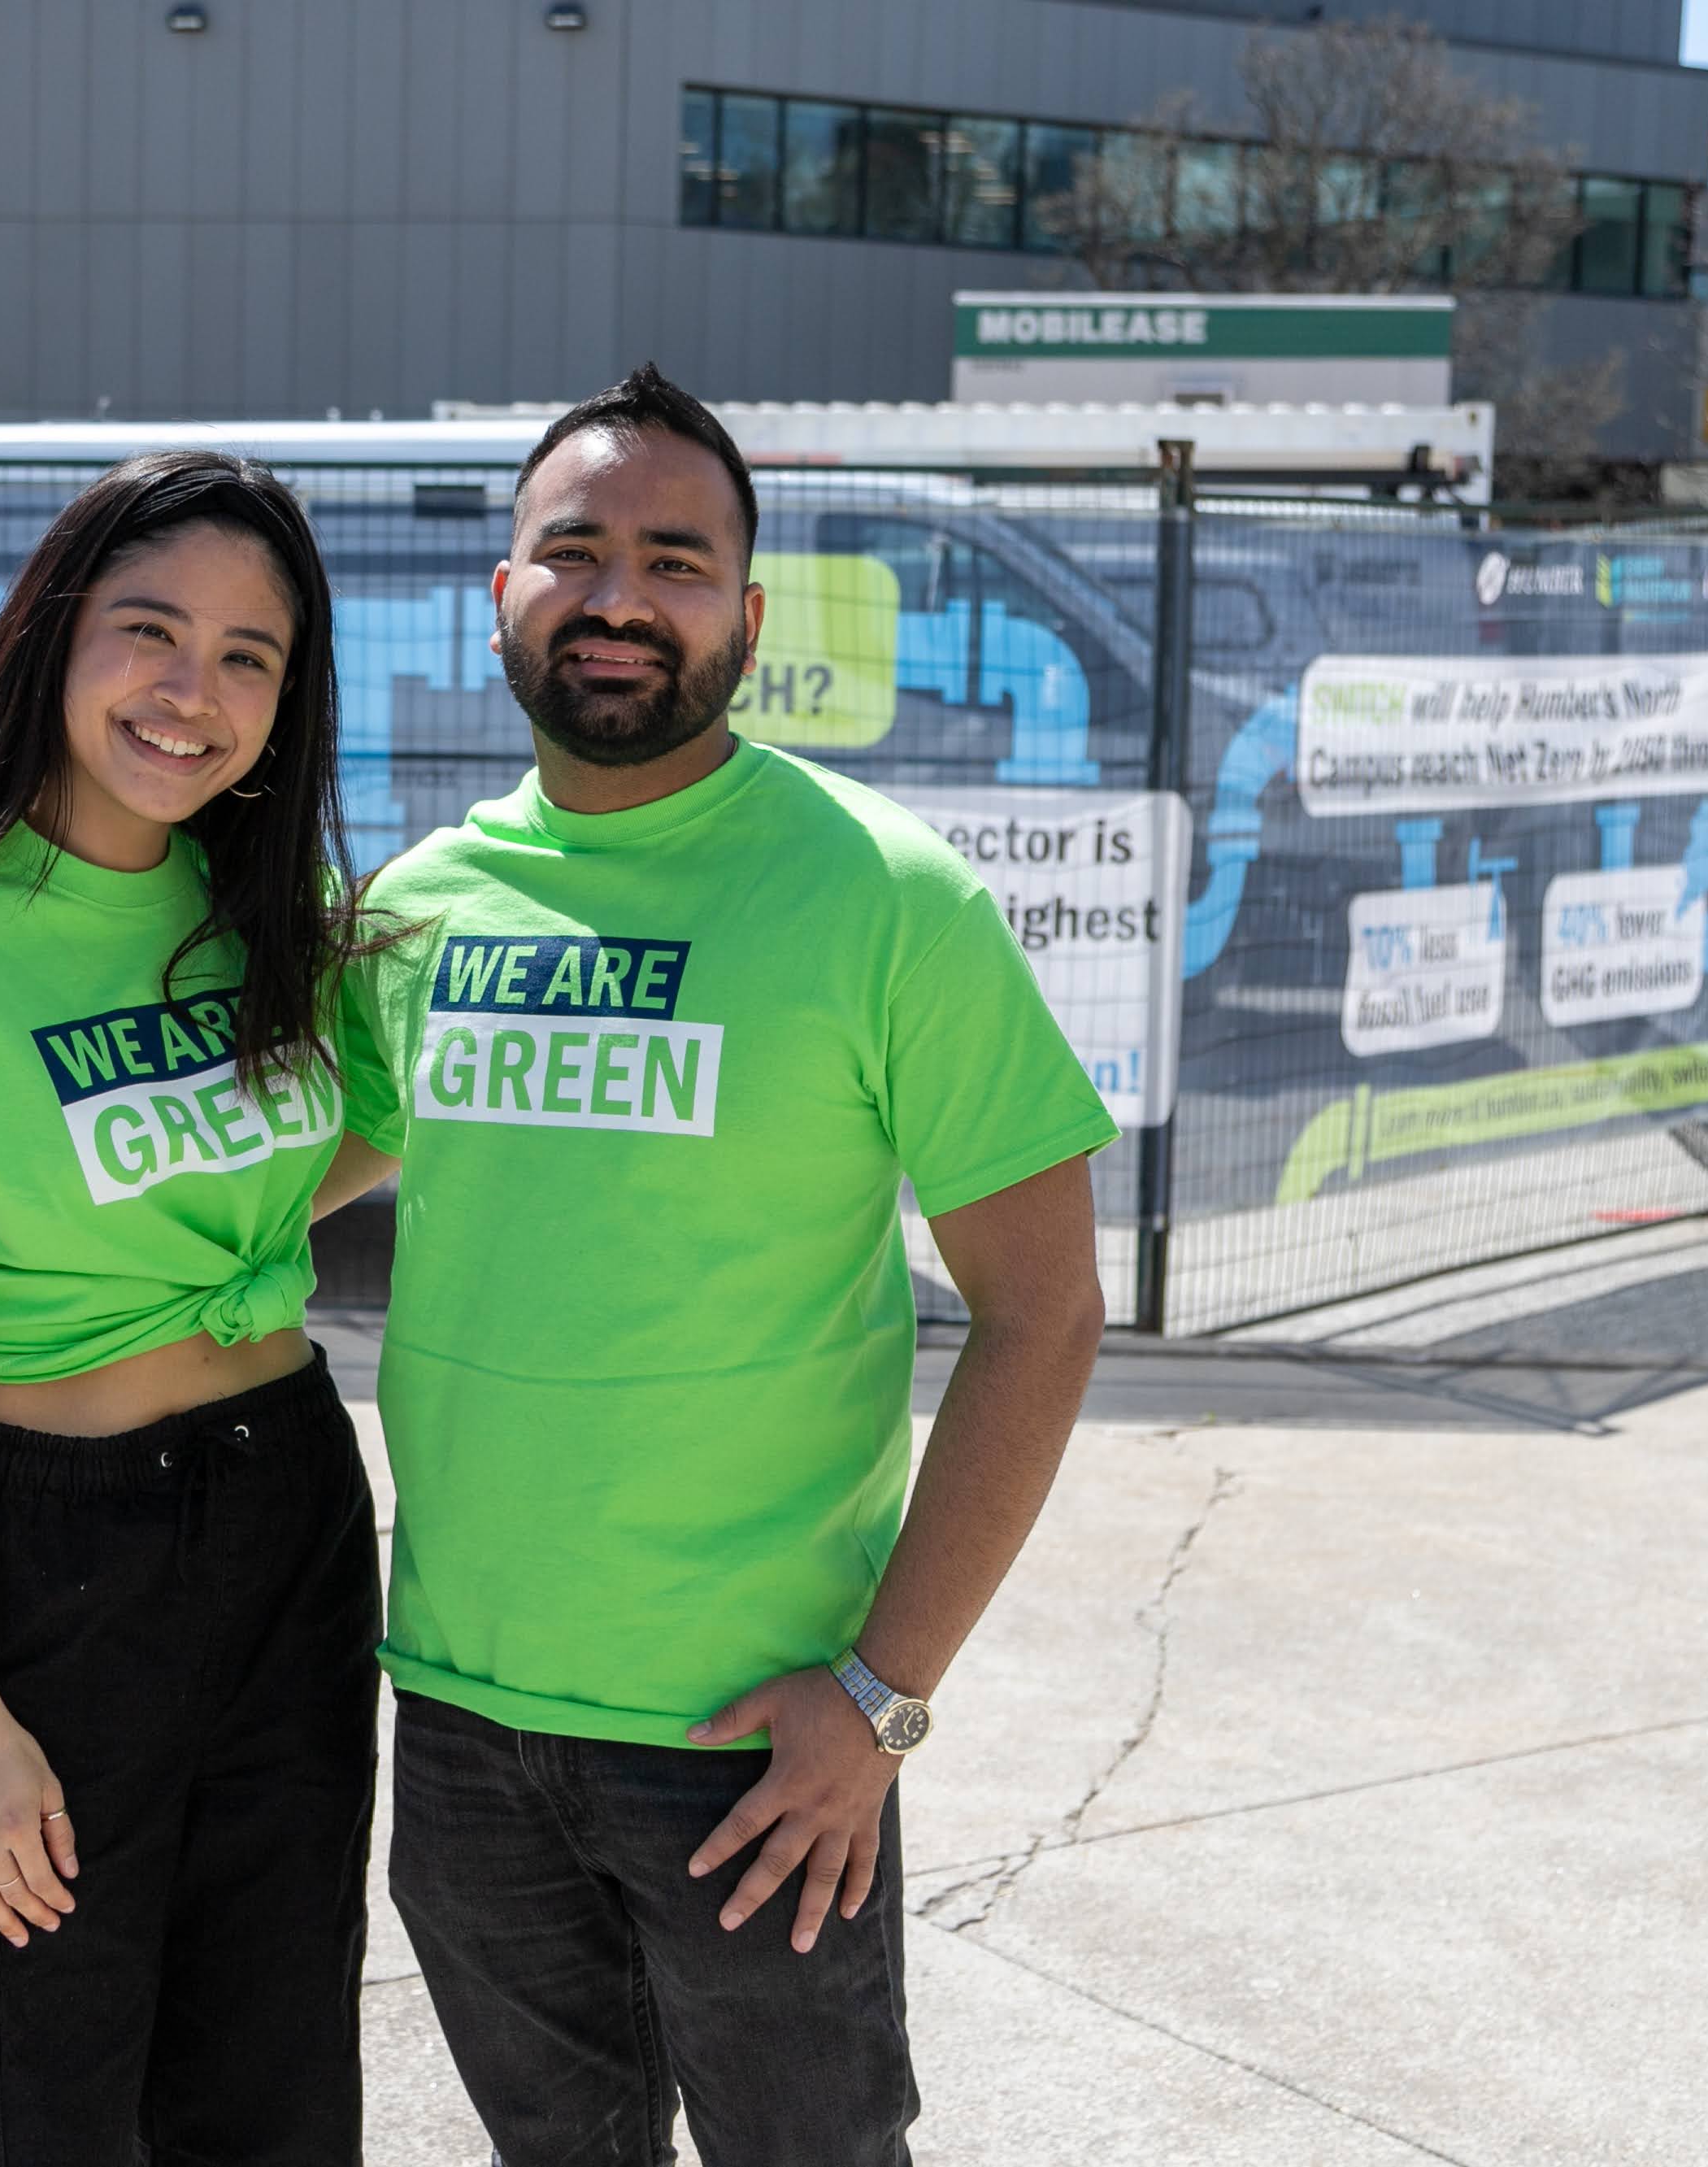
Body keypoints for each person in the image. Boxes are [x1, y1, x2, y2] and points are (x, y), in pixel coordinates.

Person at [326, 365, 1117, 2163]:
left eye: (674, 560)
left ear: (747, 617)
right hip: (456, 1712)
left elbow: (1043, 1313)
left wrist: (879, 1698)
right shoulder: (425, 902)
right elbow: (309, 1164)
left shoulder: (886, 896)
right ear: (503, 595)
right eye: (574, 551)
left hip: (760, 1740)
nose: (620, 596)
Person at [0, 450, 387, 2164]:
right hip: (39, 1563)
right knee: (5, 2094)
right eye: (152, 632)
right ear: (53, 635)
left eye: (250, 656)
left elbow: (336, 1148)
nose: (194, 693)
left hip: (289, 1520)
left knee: (265, 2084)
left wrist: (183, 1253)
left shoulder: (275, 931)